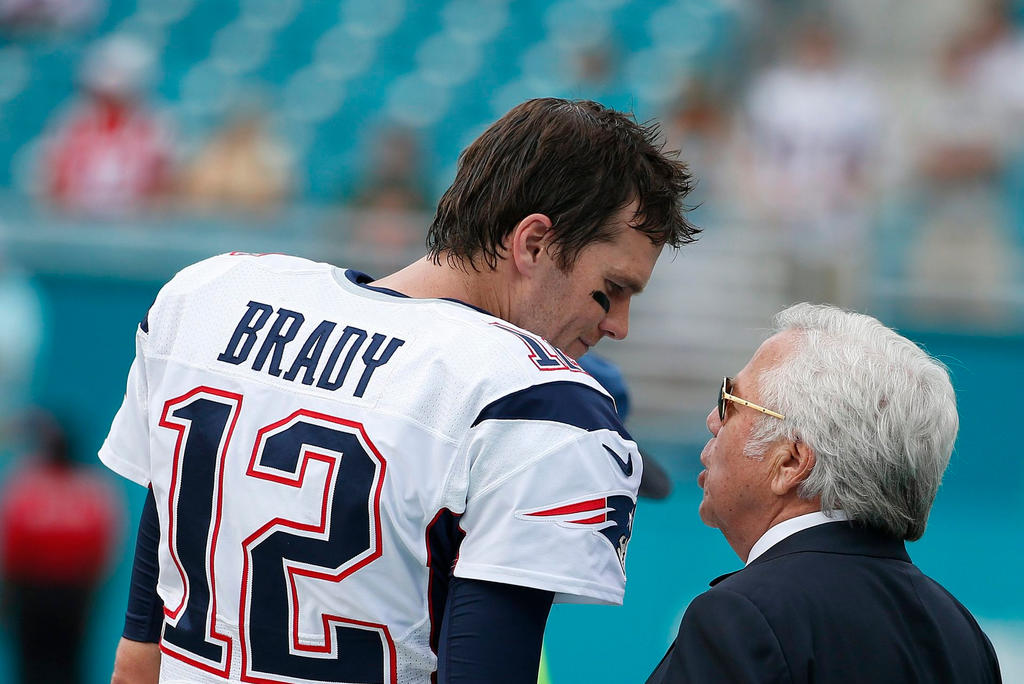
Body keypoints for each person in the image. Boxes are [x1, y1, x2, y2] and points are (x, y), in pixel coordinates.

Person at [100, 97, 698, 684]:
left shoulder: (213, 297)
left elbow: (138, 655)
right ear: (534, 243)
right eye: (610, 288)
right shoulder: (534, 400)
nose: (617, 324)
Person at [646, 303, 1001, 683]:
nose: (713, 421)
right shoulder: (963, 636)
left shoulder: (745, 614)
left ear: (791, 462)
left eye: (729, 400)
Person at [0, 410, 123, 684]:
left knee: (38, 666)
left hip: (40, 594)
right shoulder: (94, 490)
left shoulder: (28, 484)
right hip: (67, 596)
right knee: (63, 665)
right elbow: (105, 551)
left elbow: (12, 550)